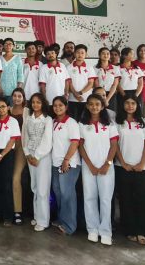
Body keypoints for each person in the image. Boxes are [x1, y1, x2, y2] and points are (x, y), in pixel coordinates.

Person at [78, 94, 119, 246]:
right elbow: (80, 146)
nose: (94, 107)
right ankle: (92, 229)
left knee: (106, 199)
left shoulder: (110, 124)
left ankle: (106, 231)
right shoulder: (82, 124)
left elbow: (114, 145)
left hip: (106, 166)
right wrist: (90, 165)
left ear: (102, 106)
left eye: (97, 104)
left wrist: (107, 163)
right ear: (87, 106)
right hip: (88, 166)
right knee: (89, 197)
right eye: (91, 104)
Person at [115, 93, 145, 245]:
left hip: (142, 168)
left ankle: (143, 231)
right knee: (126, 199)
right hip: (122, 167)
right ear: (122, 105)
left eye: (133, 103)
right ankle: (130, 230)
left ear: (137, 105)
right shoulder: (118, 123)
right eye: (127, 103)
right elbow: (115, 145)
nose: (130, 106)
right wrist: (123, 163)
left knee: (143, 199)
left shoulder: (143, 122)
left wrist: (142, 163)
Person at [22, 93, 53, 232]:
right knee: (34, 187)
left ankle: (43, 220)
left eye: (38, 102)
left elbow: (47, 140)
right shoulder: (28, 118)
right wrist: (28, 154)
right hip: (30, 156)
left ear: (43, 104)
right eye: (33, 102)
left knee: (42, 189)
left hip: (42, 157)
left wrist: (38, 156)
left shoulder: (47, 119)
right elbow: (25, 137)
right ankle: (37, 215)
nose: (35, 105)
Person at [50, 95, 81, 235]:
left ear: (66, 107)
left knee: (67, 193)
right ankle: (61, 219)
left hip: (69, 163)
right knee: (58, 192)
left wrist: (67, 159)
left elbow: (75, 142)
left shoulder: (71, 122)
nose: (57, 108)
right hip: (55, 163)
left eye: (60, 105)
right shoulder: (53, 122)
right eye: (55, 105)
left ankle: (70, 225)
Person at [0, 98, 21, 227]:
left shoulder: (13, 121)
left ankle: (8, 216)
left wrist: (2, 154)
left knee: (7, 185)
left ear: (8, 107)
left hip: (7, 154)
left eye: (3, 106)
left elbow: (12, 140)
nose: (1, 109)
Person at [10, 88, 28, 225]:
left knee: (16, 177)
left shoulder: (28, 111)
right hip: (9, 146)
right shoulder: (7, 110)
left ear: (23, 98)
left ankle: (18, 210)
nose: (17, 98)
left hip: (22, 146)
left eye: (19, 96)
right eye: (15, 96)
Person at [67, 44, 96, 121]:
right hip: (72, 99)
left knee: (85, 120)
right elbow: (69, 83)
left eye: (82, 53)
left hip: (86, 99)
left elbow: (91, 83)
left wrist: (80, 93)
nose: (80, 55)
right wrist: (75, 94)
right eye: (78, 52)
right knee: (72, 121)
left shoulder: (90, 67)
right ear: (74, 54)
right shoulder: (68, 67)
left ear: (86, 54)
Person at [94, 47, 120, 112]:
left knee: (112, 114)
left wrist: (107, 99)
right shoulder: (94, 68)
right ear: (99, 55)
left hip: (111, 94)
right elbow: (96, 84)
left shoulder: (115, 68)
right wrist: (102, 97)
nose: (106, 55)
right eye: (103, 53)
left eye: (108, 54)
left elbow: (115, 85)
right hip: (98, 94)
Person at [0, 38, 24, 104]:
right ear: (3, 46)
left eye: (10, 44)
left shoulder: (18, 58)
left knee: (12, 109)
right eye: (6, 44)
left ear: (13, 46)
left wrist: (18, 90)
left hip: (14, 91)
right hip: (1, 90)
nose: (8, 46)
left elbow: (20, 75)